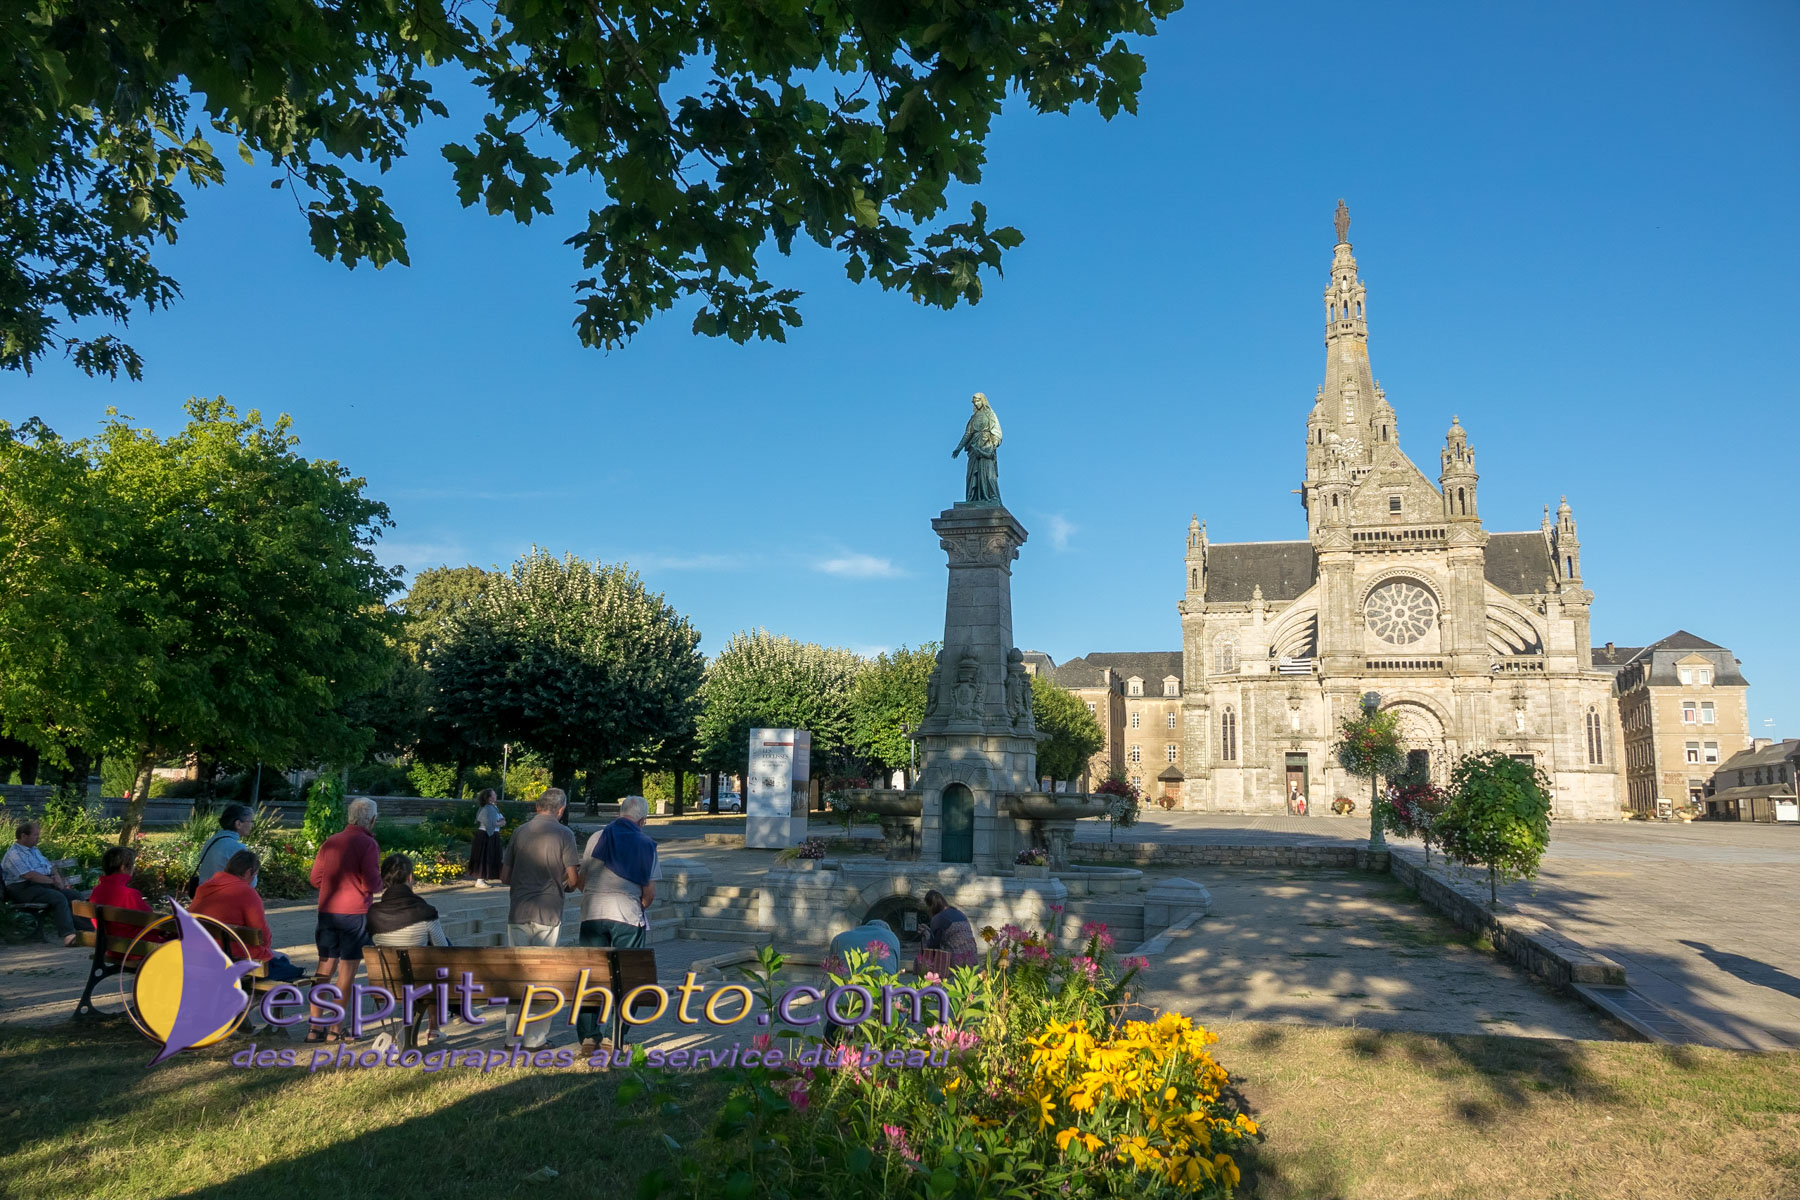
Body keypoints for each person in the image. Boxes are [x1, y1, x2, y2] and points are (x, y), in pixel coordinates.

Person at [574, 794, 659, 1051]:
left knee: (591, 976)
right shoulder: (646, 843)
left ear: (620, 813)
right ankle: (617, 1036)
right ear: (643, 820)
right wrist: (635, 905)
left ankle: (589, 1036)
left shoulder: (596, 838)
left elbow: (581, 880)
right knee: (628, 978)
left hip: (592, 914)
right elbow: (649, 894)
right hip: (627, 916)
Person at [501, 788, 578, 1048]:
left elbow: (504, 876)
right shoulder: (564, 834)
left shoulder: (520, 832)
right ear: (561, 809)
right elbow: (574, 879)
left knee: (517, 975)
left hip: (519, 911)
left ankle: (512, 1037)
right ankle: (536, 1039)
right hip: (549, 911)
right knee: (543, 977)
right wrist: (562, 884)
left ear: (536, 807)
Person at [306, 796, 382, 1041]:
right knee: (347, 972)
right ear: (372, 819)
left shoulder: (331, 842)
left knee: (324, 967)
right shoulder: (368, 844)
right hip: (354, 913)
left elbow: (315, 879)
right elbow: (371, 882)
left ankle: (314, 1026)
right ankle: (336, 1028)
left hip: (327, 911)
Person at [368, 853, 454, 1044]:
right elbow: (442, 949)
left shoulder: (373, 913)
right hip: (424, 983)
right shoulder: (424, 910)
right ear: (410, 878)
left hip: (388, 983)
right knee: (438, 956)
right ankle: (434, 1028)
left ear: (384, 880)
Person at [193, 849, 306, 982]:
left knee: (278, 959)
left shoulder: (204, 888)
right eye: (255, 875)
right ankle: (267, 1001)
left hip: (201, 955)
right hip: (234, 959)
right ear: (248, 872)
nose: (254, 879)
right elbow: (262, 935)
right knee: (286, 964)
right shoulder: (246, 892)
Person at [2, 820, 85, 946]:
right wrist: (52, 882)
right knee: (58, 898)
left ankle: (85, 931)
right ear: (24, 836)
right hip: (21, 889)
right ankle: (69, 936)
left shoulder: (34, 850)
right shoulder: (13, 854)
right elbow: (29, 875)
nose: (38, 838)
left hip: (40, 885)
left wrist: (56, 877)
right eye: (35, 835)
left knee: (75, 895)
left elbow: (48, 866)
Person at [194, 804, 254, 887]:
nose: (252, 825)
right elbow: (251, 883)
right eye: (251, 821)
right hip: (223, 895)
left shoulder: (212, 841)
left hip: (204, 893)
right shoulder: (237, 848)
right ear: (238, 824)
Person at [922, 890, 979, 967]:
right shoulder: (959, 913)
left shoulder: (937, 919)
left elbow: (934, 948)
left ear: (930, 906)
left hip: (956, 962)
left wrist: (926, 933)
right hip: (973, 958)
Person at [828, 917, 902, 973]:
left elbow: (831, 971)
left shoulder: (839, 938)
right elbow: (896, 972)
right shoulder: (892, 937)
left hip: (843, 990)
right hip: (882, 990)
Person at [468, 789, 505, 888]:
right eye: (494, 794)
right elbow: (488, 823)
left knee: (488, 856)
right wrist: (500, 823)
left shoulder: (492, 808)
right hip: (486, 836)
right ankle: (480, 880)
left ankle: (482, 879)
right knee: (484, 857)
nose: (496, 795)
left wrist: (501, 822)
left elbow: (497, 819)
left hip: (490, 835)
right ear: (489, 798)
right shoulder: (487, 808)